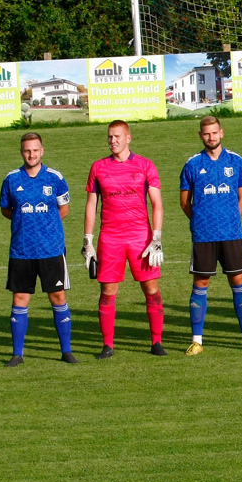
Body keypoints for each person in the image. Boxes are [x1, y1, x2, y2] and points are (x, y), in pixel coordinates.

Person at [82, 120, 166, 358]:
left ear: (128, 138)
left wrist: (156, 237)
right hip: (110, 239)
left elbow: (157, 204)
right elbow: (91, 205)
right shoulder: (98, 167)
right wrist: (88, 240)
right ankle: (107, 346)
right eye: (110, 137)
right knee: (107, 291)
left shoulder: (145, 165)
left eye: (117, 136)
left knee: (151, 290)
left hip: (141, 238)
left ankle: (156, 342)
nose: (113, 141)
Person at [180, 116, 242, 354]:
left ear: (221, 133)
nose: (211, 137)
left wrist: (230, 220)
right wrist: (200, 220)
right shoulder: (193, 164)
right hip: (203, 236)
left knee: (238, 281)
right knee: (201, 283)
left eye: (214, 133)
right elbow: (185, 202)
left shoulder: (237, 162)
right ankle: (197, 340)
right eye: (206, 133)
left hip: (231, 234)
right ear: (200, 135)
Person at [0, 133, 77, 367]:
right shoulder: (12, 179)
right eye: (26, 150)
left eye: (35, 150)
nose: (31, 154)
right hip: (21, 250)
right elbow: (6, 209)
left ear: (42, 151)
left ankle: (66, 351)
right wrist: (24, 221)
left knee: (58, 296)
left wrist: (45, 226)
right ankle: (18, 354)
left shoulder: (55, 178)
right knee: (20, 298)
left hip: (51, 250)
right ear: (21, 152)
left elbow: (64, 209)